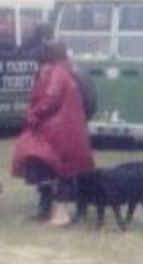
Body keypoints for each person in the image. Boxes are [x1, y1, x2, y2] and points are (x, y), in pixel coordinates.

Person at [9, 26, 95, 225]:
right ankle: (73, 211)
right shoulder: (71, 70)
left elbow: (51, 99)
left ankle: (54, 211)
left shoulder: (56, 72)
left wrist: (33, 116)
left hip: (57, 131)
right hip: (74, 130)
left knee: (43, 163)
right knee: (72, 170)